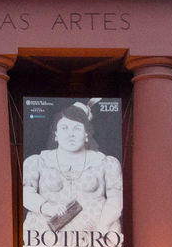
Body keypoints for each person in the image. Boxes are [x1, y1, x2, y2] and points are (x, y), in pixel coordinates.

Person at [23, 100, 122, 238]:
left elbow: (116, 200)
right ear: (56, 134)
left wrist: (102, 226)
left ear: (86, 134)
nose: (71, 134)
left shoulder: (107, 163)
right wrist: (48, 208)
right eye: (64, 128)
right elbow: (26, 194)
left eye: (77, 128)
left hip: (97, 237)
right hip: (45, 237)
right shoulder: (37, 162)